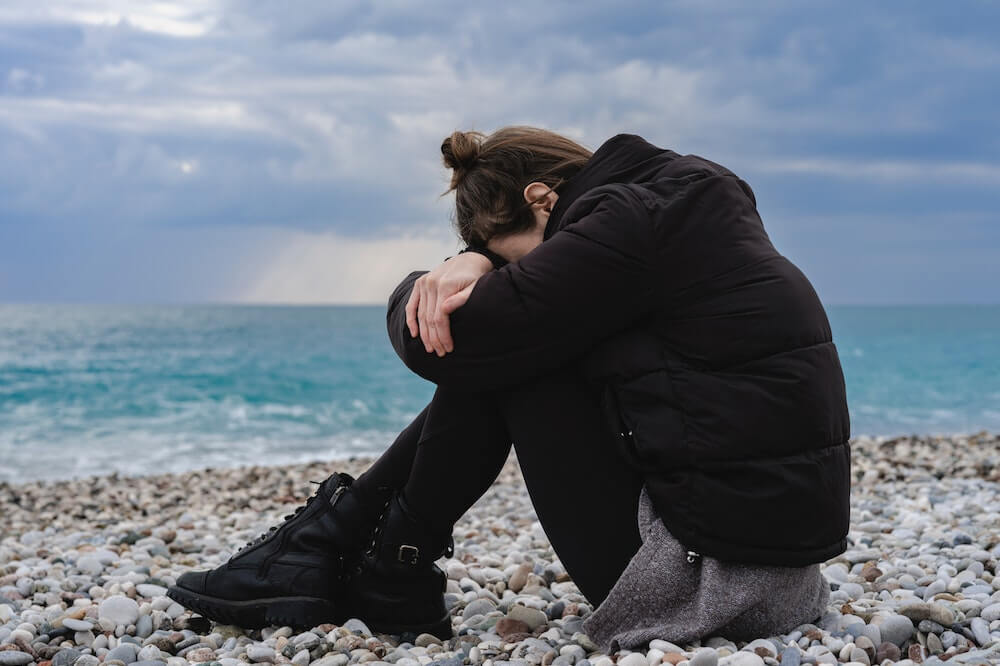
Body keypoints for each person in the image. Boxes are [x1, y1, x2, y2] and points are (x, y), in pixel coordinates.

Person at [168, 127, 850, 649]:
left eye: (510, 260)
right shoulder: (675, 204)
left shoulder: (626, 225)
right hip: (776, 573)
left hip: (713, 586)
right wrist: (477, 259)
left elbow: (450, 343)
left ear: (541, 199)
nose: (514, 273)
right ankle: (364, 561)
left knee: (513, 358)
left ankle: (361, 560)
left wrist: (427, 284)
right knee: (522, 345)